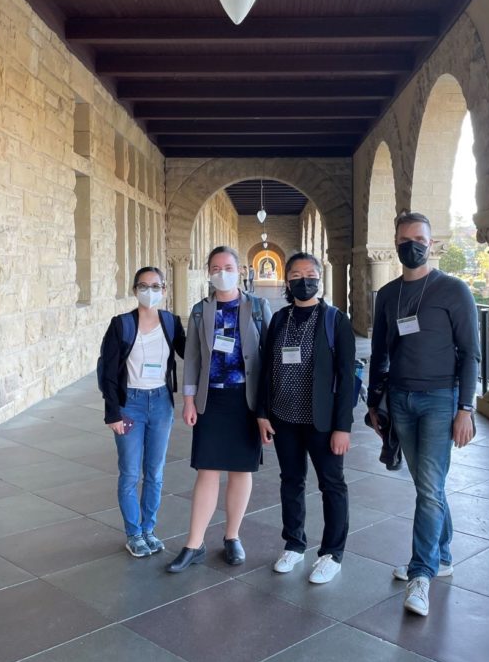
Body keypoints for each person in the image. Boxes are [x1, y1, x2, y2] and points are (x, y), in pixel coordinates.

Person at [368, 212, 480, 617]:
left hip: (439, 399)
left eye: (419, 238)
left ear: (431, 244)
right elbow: (379, 351)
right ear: (395, 242)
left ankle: (421, 574)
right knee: (426, 485)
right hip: (400, 399)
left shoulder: (453, 290)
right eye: (404, 238)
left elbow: (470, 354)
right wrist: (372, 403)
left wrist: (466, 408)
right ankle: (443, 555)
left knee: (430, 488)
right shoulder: (388, 294)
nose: (411, 244)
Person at [167, 246, 272, 572]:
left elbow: (270, 357)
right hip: (211, 399)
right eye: (215, 267)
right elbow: (194, 358)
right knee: (207, 470)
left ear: (240, 270)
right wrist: (187, 400)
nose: (221, 272)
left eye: (227, 266)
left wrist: (268, 409)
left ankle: (232, 536)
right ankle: (193, 543)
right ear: (208, 272)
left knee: (241, 470)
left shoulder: (257, 306)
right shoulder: (201, 310)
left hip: (247, 400)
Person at [257, 252, 355, 584]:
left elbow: (346, 377)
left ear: (319, 279)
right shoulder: (280, 319)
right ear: (287, 281)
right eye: (296, 275)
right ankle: (294, 544)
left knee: (331, 484)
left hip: (322, 422)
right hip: (284, 417)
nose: (303, 280)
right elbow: (266, 368)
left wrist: (343, 426)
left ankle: (332, 554)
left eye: (309, 274)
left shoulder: (335, 320)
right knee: (291, 481)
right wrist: (262, 413)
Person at [99, 266, 186, 558]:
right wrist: (112, 412)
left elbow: (192, 353)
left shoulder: (171, 322)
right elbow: (107, 371)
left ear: (164, 290)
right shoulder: (121, 324)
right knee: (130, 472)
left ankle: (149, 529)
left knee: (155, 472)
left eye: (156, 286)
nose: (150, 291)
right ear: (135, 290)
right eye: (144, 286)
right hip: (130, 404)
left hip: (161, 402)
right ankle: (133, 533)